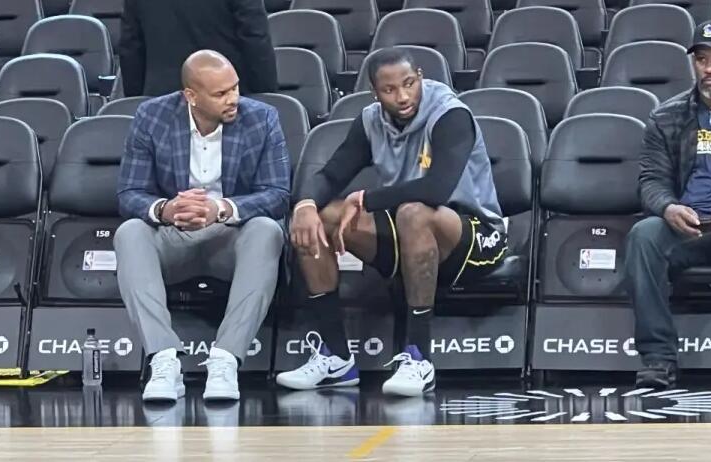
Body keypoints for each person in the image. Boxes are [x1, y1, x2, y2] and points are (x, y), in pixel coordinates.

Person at [276, 48, 507, 397]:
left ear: (420, 77)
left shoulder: (450, 114)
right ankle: (336, 358)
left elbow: (437, 189)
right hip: (409, 233)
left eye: (409, 83)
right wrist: (305, 205)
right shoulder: (370, 120)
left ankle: (419, 359)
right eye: (389, 90)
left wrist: (367, 199)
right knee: (320, 219)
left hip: (476, 236)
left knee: (414, 212)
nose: (402, 96)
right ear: (374, 92)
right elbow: (332, 174)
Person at [114, 50, 290, 402]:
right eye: (221, 93)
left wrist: (220, 209)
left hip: (231, 236)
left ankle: (226, 360)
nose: (233, 98)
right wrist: (166, 209)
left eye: (235, 87)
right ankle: (163, 360)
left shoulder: (262, 118)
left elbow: (278, 194)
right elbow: (129, 193)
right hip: (174, 235)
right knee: (129, 233)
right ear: (191, 96)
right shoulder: (152, 117)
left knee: (267, 230)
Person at [626, 20, 711, 389]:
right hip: (691, 227)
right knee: (644, 236)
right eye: (702, 60)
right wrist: (668, 208)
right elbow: (651, 180)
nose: (709, 69)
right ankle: (658, 358)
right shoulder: (667, 116)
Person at [119, 0, 277, 97]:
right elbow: (255, 38)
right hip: (225, 98)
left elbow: (131, 46)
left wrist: (136, 98)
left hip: (161, 97)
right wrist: (265, 94)